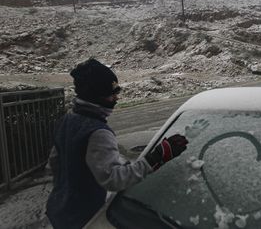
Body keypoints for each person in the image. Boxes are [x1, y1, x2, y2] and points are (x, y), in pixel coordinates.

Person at [46, 58, 188, 229]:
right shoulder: (98, 133)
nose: (116, 98)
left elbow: (53, 163)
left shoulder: (66, 120)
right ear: (94, 96)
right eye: (111, 93)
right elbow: (114, 180)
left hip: (59, 209)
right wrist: (155, 158)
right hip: (85, 218)